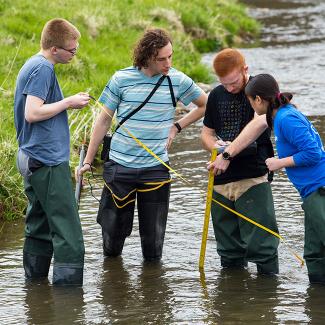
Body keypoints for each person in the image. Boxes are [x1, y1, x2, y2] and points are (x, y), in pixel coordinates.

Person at [78, 28, 207, 261]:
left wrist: (177, 127)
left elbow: (204, 105)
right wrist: (88, 161)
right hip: (120, 167)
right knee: (112, 242)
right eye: (162, 59)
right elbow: (104, 120)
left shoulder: (176, 80)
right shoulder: (121, 79)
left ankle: (152, 293)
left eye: (171, 56)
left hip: (156, 169)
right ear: (147, 57)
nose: (168, 63)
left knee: (153, 247)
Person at [14, 18, 90, 285]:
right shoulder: (43, 69)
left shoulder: (33, 64)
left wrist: (65, 101)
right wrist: (68, 102)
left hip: (31, 157)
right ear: (55, 48)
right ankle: (69, 300)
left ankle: (35, 291)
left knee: (39, 225)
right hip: (45, 160)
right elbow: (32, 113)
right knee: (68, 232)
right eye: (72, 50)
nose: (74, 54)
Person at [201, 48, 279, 274]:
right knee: (229, 252)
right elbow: (206, 134)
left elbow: (259, 123)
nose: (230, 88)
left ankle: (266, 299)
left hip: (253, 176)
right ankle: (232, 303)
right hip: (221, 179)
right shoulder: (216, 95)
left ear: (245, 69)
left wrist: (227, 153)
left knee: (263, 247)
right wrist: (214, 146)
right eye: (224, 83)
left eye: (234, 82)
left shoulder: (260, 90)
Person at [245, 73, 325, 284]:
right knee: (314, 254)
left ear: (259, 100)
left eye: (250, 101)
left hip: (320, 189)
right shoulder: (282, 115)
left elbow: (313, 153)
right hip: (310, 193)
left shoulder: (286, 118)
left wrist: (278, 162)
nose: (251, 106)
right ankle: (316, 304)